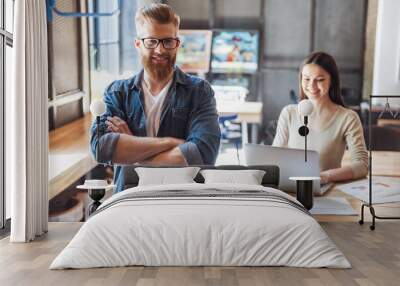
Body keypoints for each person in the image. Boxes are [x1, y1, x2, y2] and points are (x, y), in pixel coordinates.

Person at [90, 4, 221, 192]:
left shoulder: (199, 91)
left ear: (177, 44)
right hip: (129, 196)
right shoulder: (117, 92)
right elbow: (101, 148)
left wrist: (131, 151)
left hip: (183, 198)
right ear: (138, 44)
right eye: (151, 41)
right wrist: (171, 143)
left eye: (167, 41)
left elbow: (203, 154)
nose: (160, 50)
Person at [273, 51, 368, 184]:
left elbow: (361, 165)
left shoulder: (348, 118)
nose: (311, 86)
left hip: (326, 190)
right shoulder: (288, 113)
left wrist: (325, 176)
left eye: (320, 80)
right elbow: (274, 157)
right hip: (289, 189)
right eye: (306, 79)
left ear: (331, 81)